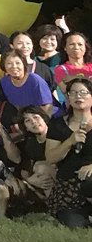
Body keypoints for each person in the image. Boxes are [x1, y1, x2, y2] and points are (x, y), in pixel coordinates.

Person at [43, 77, 92, 228]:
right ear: (68, 97)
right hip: (69, 185)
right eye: (73, 93)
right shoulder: (57, 125)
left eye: (83, 92)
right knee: (75, 225)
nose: (78, 96)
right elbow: (50, 158)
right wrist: (70, 141)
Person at [0, 48, 54, 125]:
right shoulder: (4, 82)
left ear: (23, 64)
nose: (14, 66)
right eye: (9, 64)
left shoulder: (34, 80)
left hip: (45, 119)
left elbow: (47, 107)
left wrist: (42, 125)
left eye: (18, 63)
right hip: (25, 121)